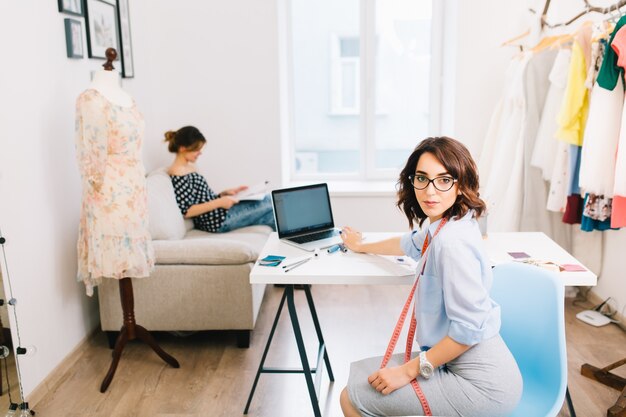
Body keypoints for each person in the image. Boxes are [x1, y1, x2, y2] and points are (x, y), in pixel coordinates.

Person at [339, 137, 522, 417]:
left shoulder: (451, 243)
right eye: (422, 178)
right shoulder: (450, 222)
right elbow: (410, 243)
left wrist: (408, 371)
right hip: (457, 361)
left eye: (444, 180)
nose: (430, 191)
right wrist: (361, 246)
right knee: (363, 377)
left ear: (460, 184)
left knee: (352, 398)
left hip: (483, 385)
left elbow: (469, 329)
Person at [75, 68, 154, 296]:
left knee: (130, 255)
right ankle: (127, 325)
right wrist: (96, 187)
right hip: (108, 189)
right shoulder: (90, 99)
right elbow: (89, 151)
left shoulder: (128, 98)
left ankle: (131, 324)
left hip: (135, 187)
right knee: (117, 257)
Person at [164, 126, 275, 233]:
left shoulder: (189, 167)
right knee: (271, 199)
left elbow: (202, 197)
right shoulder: (178, 171)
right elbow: (187, 211)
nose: (200, 152)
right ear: (182, 148)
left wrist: (224, 193)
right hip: (217, 220)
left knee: (273, 217)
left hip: (220, 212)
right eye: (196, 149)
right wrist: (220, 202)